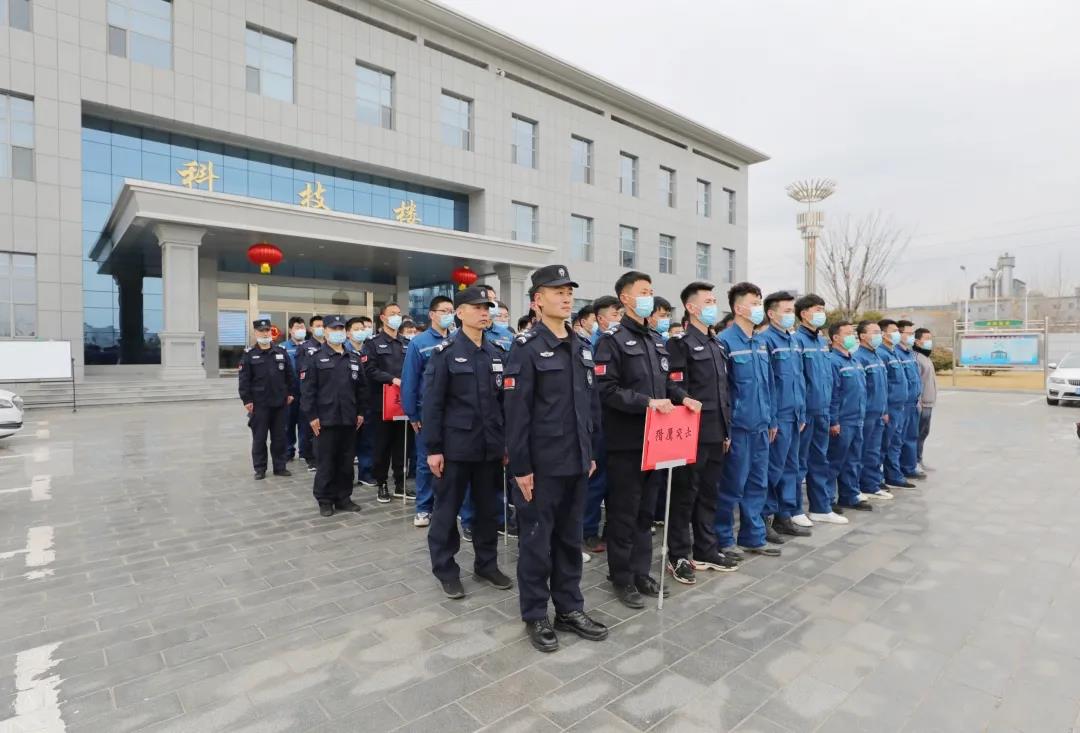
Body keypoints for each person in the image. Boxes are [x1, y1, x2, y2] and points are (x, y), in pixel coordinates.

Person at [504, 264, 608, 652]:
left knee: (569, 539)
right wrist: (521, 467)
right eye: (557, 292)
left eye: (569, 292)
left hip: (576, 462)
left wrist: (590, 452)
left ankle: (569, 608)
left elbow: (590, 405)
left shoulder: (581, 345)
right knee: (536, 542)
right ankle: (535, 613)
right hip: (541, 466)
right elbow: (516, 414)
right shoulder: (526, 347)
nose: (566, 298)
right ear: (537, 300)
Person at [594, 270, 699, 608]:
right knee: (624, 512)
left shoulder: (655, 339)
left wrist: (683, 398)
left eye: (650, 291)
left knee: (645, 513)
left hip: (658, 442)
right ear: (624, 298)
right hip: (627, 442)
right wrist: (647, 403)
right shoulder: (611, 340)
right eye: (642, 291)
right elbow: (606, 390)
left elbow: (666, 383)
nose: (648, 297)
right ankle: (621, 576)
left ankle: (641, 571)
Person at [422, 286, 513, 599]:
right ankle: (446, 570)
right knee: (447, 512)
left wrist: (505, 443)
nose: (484, 313)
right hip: (455, 448)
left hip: (489, 447)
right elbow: (432, 404)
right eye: (477, 308)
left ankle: (486, 565)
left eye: (487, 308)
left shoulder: (496, 352)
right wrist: (433, 449)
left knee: (488, 510)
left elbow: (503, 403)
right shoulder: (445, 353)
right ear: (459, 313)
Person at [664, 282, 739, 585]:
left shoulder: (717, 344)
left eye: (714, 300)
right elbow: (671, 383)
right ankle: (679, 555)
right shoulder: (680, 344)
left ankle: (705, 549)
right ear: (691, 307)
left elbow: (723, 392)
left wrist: (726, 430)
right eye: (707, 301)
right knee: (685, 496)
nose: (713, 306)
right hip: (691, 433)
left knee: (709, 494)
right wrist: (684, 398)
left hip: (716, 432)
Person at [715, 282, 778, 558]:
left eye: (759, 303)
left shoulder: (761, 342)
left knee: (757, 484)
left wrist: (772, 419)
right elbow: (723, 391)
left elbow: (769, 384)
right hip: (739, 428)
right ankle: (723, 538)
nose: (758, 308)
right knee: (732, 486)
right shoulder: (724, 342)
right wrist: (725, 430)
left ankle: (753, 536)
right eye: (754, 303)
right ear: (738, 308)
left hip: (761, 426)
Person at [299, 315, 368, 517]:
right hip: (325, 420)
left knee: (346, 462)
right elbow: (307, 391)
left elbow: (362, 389)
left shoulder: (353, 358)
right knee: (326, 463)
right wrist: (311, 416)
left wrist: (361, 412)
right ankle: (325, 499)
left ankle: (343, 498)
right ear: (325, 332)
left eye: (340, 329)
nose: (337, 332)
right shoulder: (314, 357)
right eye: (333, 329)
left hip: (349, 419)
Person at [402, 296, 455, 528]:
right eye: (444, 311)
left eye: (451, 311)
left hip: (454, 412)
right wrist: (412, 414)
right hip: (427, 413)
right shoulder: (419, 343)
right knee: (426, 461)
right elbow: (410, 381)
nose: (448, 315)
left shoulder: (457, 339)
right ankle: (424, 507)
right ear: (432, 314)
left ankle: (451, 505)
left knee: (454, 460)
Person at [760, 291, 809, 541]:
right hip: (778, 417)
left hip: (794, 415)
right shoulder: (765, 341)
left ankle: (784, 515)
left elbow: (799, 379)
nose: (792, 315)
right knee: (773, 469)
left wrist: (801, 412)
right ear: (771, 314)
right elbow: (766, 384)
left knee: (791, 468)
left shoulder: (793, 340)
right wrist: (772, 419)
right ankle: (764, 518)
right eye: (787, 311)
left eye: (792, 311)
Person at [363, 303, 412, 503]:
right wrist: (392, 379)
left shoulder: (406, 343)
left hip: (403, 402)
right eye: (392, 314)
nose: (396, 317)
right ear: (382, 318)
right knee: (382, 445)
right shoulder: (372, 343)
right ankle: (381, 483)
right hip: (381, 403)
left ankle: (400, 483)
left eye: (399, 314)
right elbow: (370, 370)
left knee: (402, 445)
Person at [823, 321, 872, 517]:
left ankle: (850, 494)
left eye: (853, 333)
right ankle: (828, 498)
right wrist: (833, 420)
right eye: (848, 334)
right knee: (834, 461)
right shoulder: (833, 361)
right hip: (842, 421)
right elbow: (833, 394)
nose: (853, 337)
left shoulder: (854, 360)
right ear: (836, 338)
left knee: (853, 460)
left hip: (857, 418)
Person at [238, 319, 296, 480]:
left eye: (267, 330)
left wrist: (291, 393)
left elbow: (290, 375)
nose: (265, 334)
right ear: (255, 333)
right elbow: (244, 380)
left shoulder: (281, 352)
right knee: (259, 438)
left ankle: (280, 467)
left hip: (280, 403)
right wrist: (247, 400)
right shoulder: (249, 354)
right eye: (261, 331)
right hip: (259, 404)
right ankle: (260, 468)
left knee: (279, 438)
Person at [793, 295, 832, 528]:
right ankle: (795, 509)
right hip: (806, 412)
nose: (821, 313)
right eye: (817, 309)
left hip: (822, 410)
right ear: (804, 313)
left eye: (822, 309)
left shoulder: (822, 341)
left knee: (820, 461)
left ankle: (820, 508)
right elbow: (797, 380)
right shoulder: (796, 341)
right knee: (799, 463)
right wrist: (800, 411)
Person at [853, 320, 893, 501]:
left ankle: (871, 484)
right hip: (866, 414)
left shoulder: (876, 356)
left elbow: (882, 387)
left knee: (874, 451)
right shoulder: (859, 357)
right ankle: (859, 486)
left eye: (879, 332)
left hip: (878, 413)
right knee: (862, 452)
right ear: (862, 336)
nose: (879, 335)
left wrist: (884, 410)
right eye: (875, 332)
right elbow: (861, 390)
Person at [877, 319, 914, 490]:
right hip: (889, 407)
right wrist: (884, 408)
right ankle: (877, 478)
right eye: (893, 331)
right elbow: (882, 385)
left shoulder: (893, 352)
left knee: (895, 442)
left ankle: (893, 475)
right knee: (883, 444)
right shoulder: (882, 354)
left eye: (898, 331)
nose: (897, 334)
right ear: (883, 334)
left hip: (900, 406)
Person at [896, 320, 926, 481]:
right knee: (898, 439)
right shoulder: (896, 354)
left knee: (911, 436)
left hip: (913, 402)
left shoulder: (909, 353)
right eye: (909, 333)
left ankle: (909, 466)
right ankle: (895, 471)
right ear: (899, 334)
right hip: (902, 403)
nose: (912, 337)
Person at [298, 314, 327, 472]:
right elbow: (301, 373)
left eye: (323, 326)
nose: (321, 328)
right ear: (311, 328)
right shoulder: (305, 347)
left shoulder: (331, 345)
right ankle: (310, 457)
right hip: (311, 393)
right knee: (309, 428)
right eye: (318, 326)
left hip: (327, 395)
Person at [350, 316, 376, 486]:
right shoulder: (343, 350)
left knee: (367, 440)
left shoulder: (369, 348)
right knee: (348, 443)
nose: (362, 331)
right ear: (348, 332)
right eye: (357, 329)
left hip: (368, 402)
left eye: (365, 328)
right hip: (349, 403)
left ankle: (365, 473)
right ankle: (345, 477)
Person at [282, 316, 308, 462]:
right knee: (288, 423)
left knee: (305, 424)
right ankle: (288, 450)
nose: (300, 330)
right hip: (291, 393)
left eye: (302, 327)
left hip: (306, 392)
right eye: (297, 327)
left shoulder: (310, 347)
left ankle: (304, 451)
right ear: (290, 330)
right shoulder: (283, 348)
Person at [913, 328, 937, 472]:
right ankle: (914, 461)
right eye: (926, 338)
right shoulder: (916, 358)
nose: (929, 341)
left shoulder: (925, 356)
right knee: (917, 433)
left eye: (930, 338)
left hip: (929, 403)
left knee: (923, 433)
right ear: (917, 341)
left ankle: (919, 459)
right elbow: (916, 382)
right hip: (922, 404)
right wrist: (919, 402)